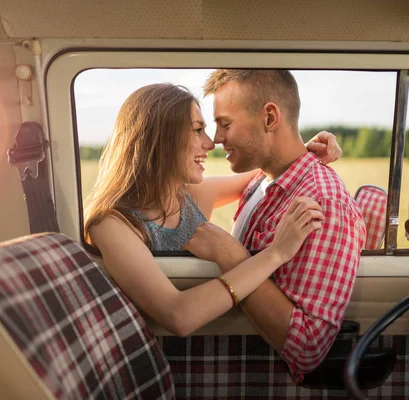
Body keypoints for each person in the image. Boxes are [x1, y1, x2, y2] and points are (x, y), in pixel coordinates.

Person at [83, 83, 340, 338]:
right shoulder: (111, 224)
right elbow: (178, 316)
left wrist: (302, 150)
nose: (210, 143)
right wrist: (276, 254)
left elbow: (264, 171)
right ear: (160, 137)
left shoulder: (187, 197)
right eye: (198, 130)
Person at [200, 69, 367, 383]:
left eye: (225, 123)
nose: (216, 138)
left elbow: (307, 347)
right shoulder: (263, 178)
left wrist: (228, 253)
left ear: (269, 117)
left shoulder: (322, 203)